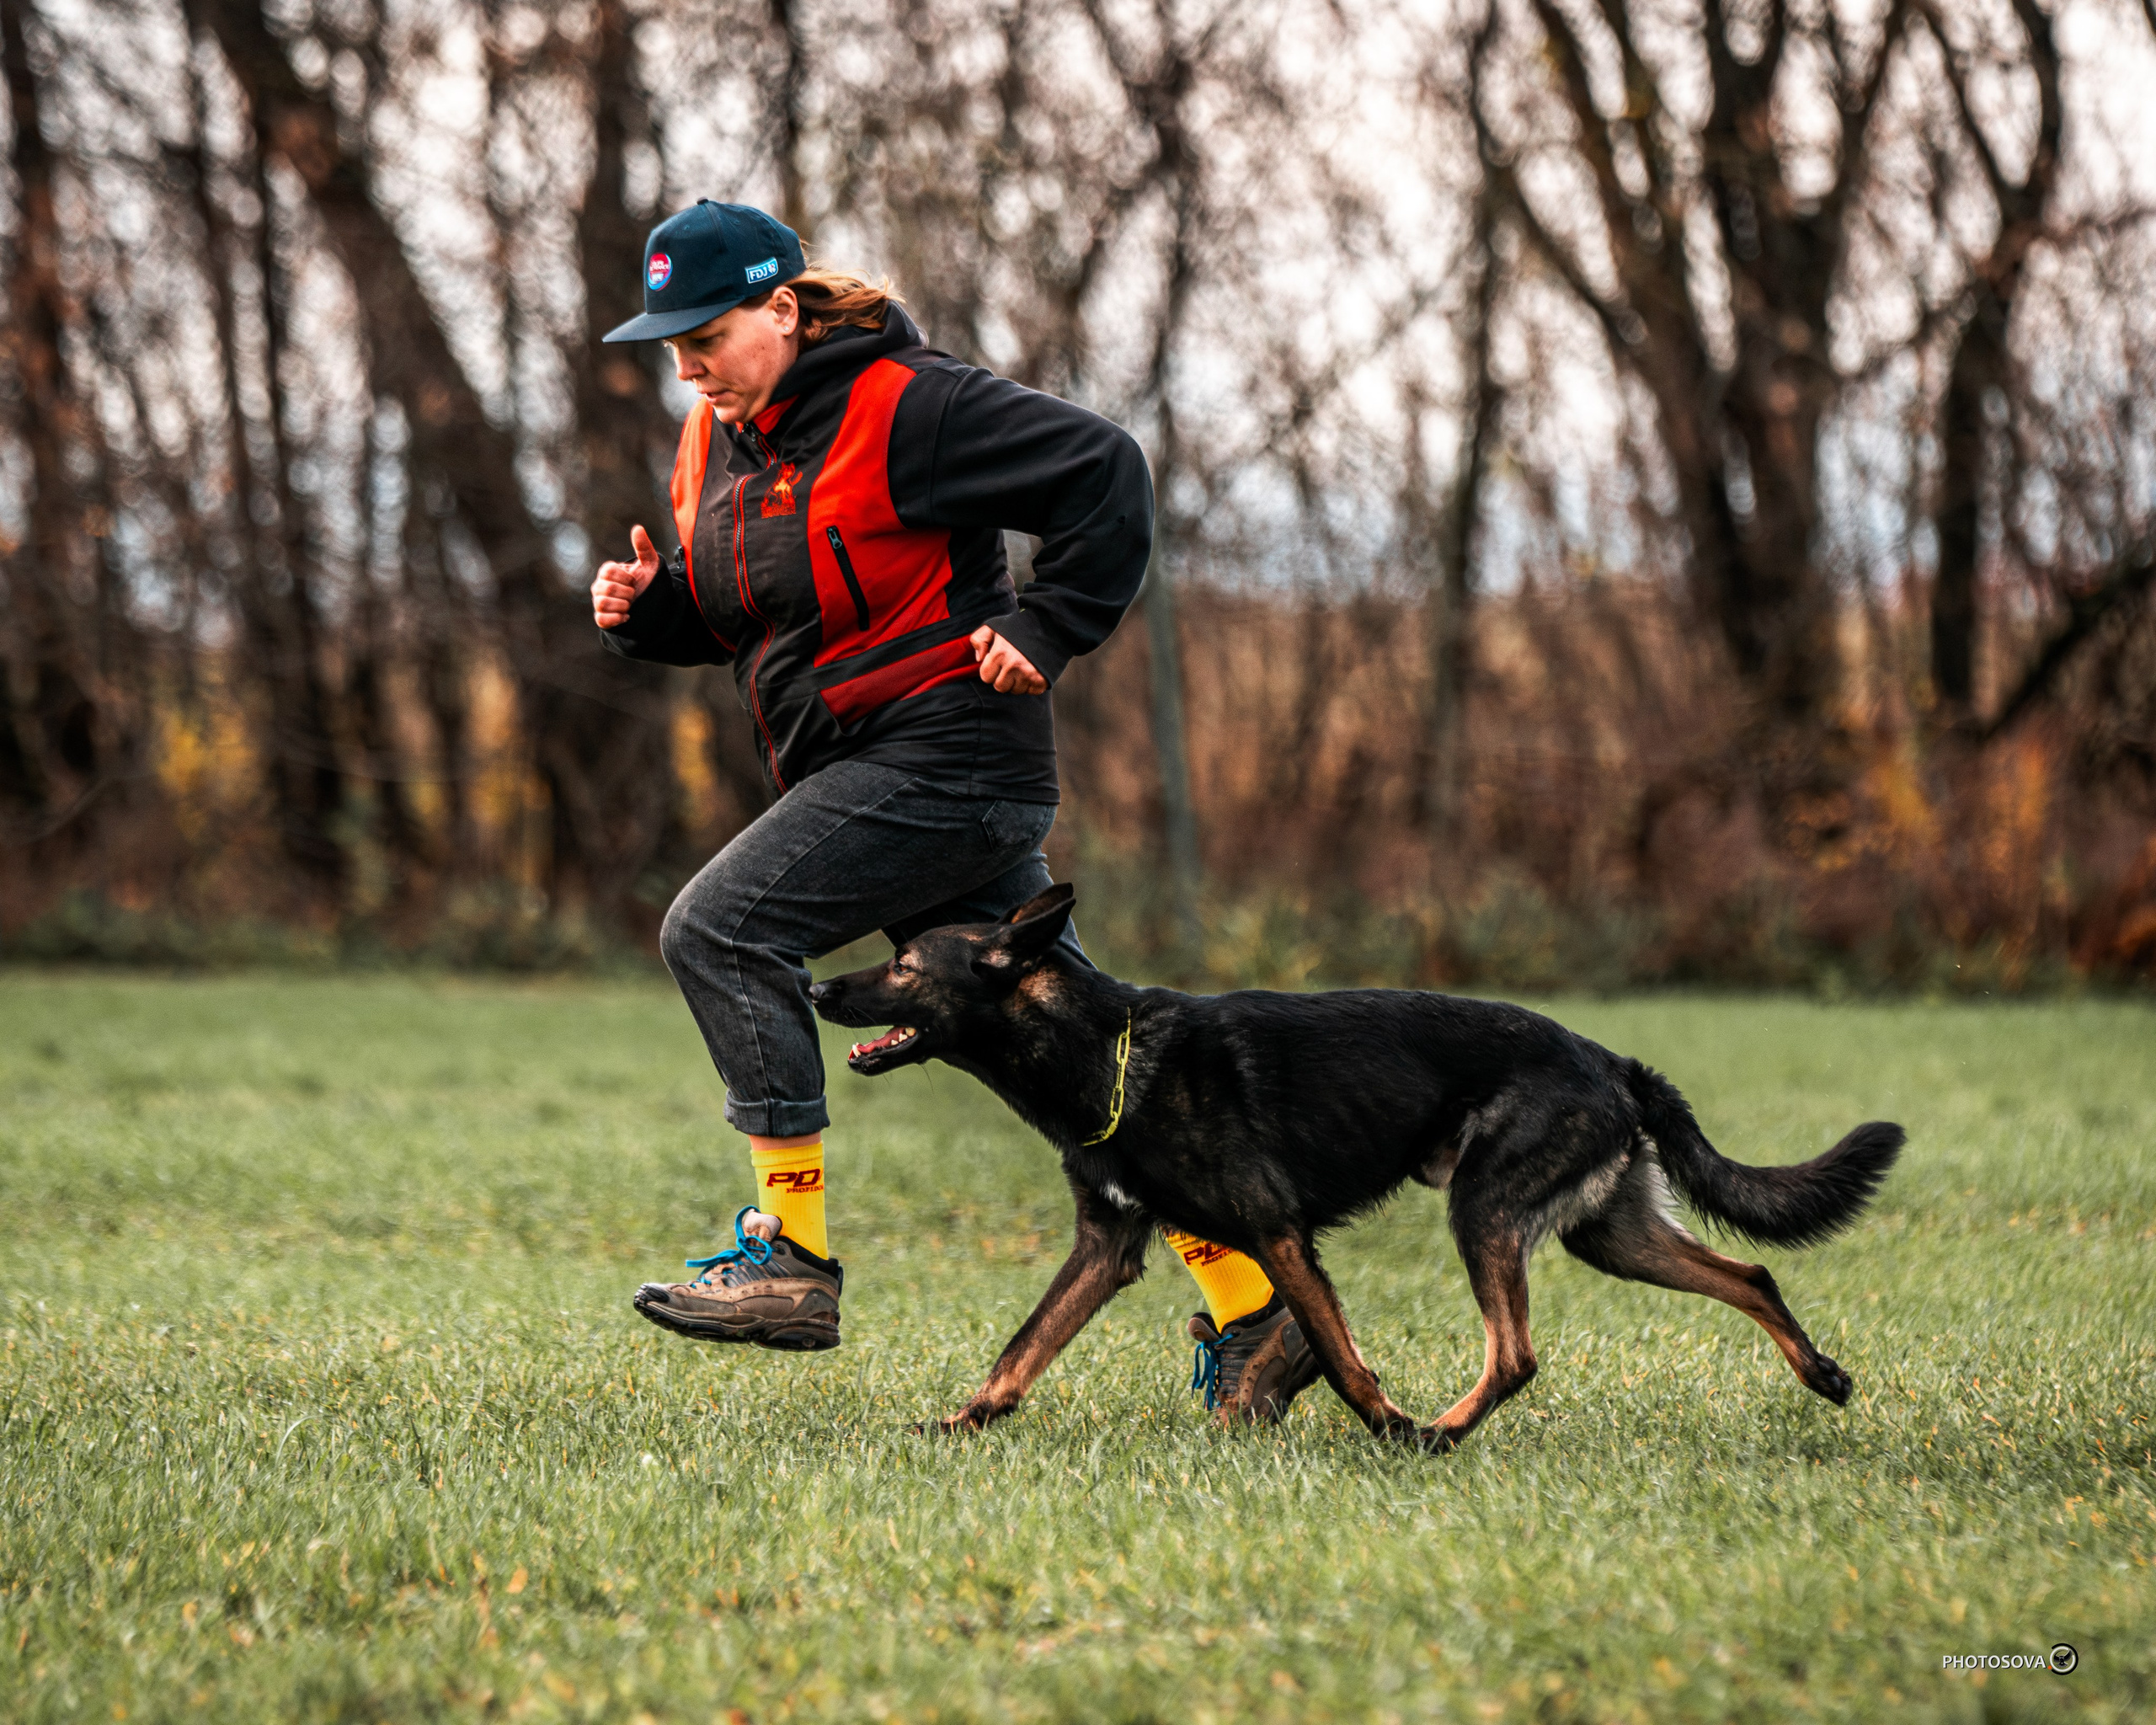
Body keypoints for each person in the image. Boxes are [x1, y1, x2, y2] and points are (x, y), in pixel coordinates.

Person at [590, 200, 1318, 1424]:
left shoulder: (910, 406)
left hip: (949, 758)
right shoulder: (716, 441)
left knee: (720, 931)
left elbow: (1106, 473)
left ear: (781, 308)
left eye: (706, 334)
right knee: (1076, 1063)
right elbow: (750, 613)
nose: (688, 366)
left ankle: (790, 1257)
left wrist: (1046, 625)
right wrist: (654, 611)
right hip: (867, 767)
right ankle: (1260, 1313)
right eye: (670, 345)